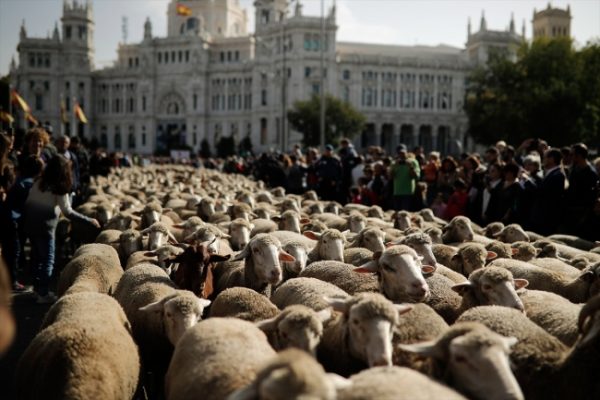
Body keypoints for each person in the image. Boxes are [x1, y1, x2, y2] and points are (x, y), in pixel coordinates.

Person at [23, 155, 100, 303]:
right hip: (46, 227)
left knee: (37, 257)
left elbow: (29, 201)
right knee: (48, 259)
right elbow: (68, 212)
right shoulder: (60, 188)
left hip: (31, 224)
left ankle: (37, 289)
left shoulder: (39, 182)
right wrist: (89, 220)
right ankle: (43, 294)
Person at [2, 155, 43, 291]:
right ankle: (11, 282)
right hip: (12, 220)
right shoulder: (28, 184)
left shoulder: (19, 180)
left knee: (9, 251)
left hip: (7, 217)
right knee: (14, 252)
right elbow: (28, 206)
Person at [563, 143, 599, 238]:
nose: (569, 157)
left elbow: (591, 198)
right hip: (570, 211)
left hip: (581, 215)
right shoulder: (575, 168)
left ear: (579, 156)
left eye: (572, 155)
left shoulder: (591, 174)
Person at [529, 149, 567, 235]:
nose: (543, 160)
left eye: (545, 157)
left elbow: (547, 196)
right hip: (540, 218)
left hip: (546, 220)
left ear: (552, 159)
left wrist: (529, 182)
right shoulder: (551, 173)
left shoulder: (558, 175)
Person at [390, 144, 420, 211]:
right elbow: (391, 177)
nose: (401, 155)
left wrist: (411, 167)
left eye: (403, 153)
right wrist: (394, 167)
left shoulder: (413, 162)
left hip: (408, 192)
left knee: (407, 213)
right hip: (397, 192)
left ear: (406, 152)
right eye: (399, 153)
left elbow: (416, 177)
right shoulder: (394, 163)